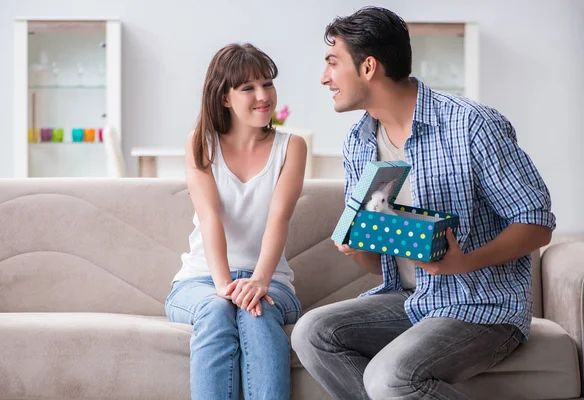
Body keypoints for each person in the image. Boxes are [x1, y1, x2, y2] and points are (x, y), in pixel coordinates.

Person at [291, 6, 555, 400]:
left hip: (481, 304)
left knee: (389, 377)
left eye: (332, 63)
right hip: (412, 298)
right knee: (312, 333)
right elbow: (379, 261)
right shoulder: (359, 142)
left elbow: (536, 222)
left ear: (368, 68)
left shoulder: (472, 125)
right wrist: (356, 245)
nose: (324, 77)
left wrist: (465, 261)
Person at [165, 43, 307, 400]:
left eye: (267, 84)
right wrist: (227, 288)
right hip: (201, 280)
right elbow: (210, 216)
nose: (263, 96)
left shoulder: (292, 147)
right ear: (224, 97)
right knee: (216, 309)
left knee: (257, 316)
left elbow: (280, 217)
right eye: (248, 88)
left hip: (271, 280)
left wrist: (258, 281)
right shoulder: (201, 143)